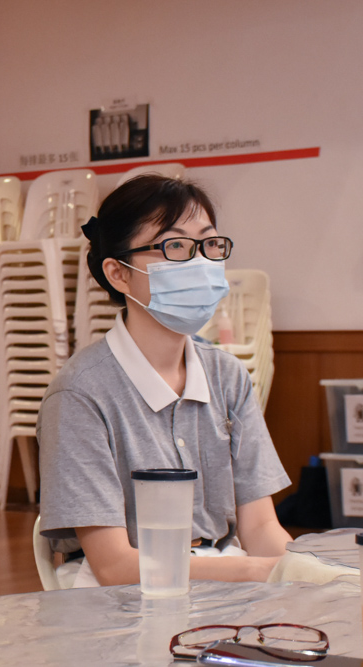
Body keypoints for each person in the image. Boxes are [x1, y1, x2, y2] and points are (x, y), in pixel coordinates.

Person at [38, 175, 291, 588]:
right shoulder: (79, 394)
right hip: (121, 599)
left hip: (225, 584)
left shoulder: (228, 376)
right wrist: (254, 572)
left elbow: (261, 528)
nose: (200, 262)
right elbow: (114, 567)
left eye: (209, 244)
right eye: (175, 246)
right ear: (118, 274)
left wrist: (303, 574)